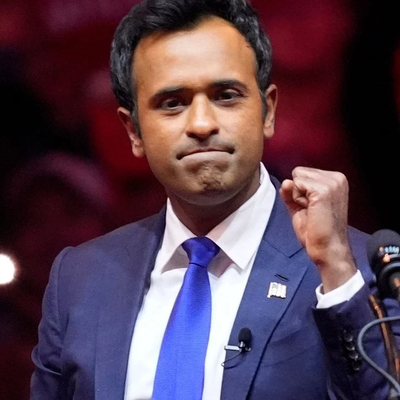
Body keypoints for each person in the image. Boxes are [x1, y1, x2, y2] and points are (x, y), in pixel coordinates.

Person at [30, 0, 400, 399]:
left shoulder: (367, 275)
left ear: (268, 112)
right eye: (172, 103)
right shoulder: (79, 279)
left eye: (225, 96)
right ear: (133, 131)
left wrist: (338, 273)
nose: (202, 124)